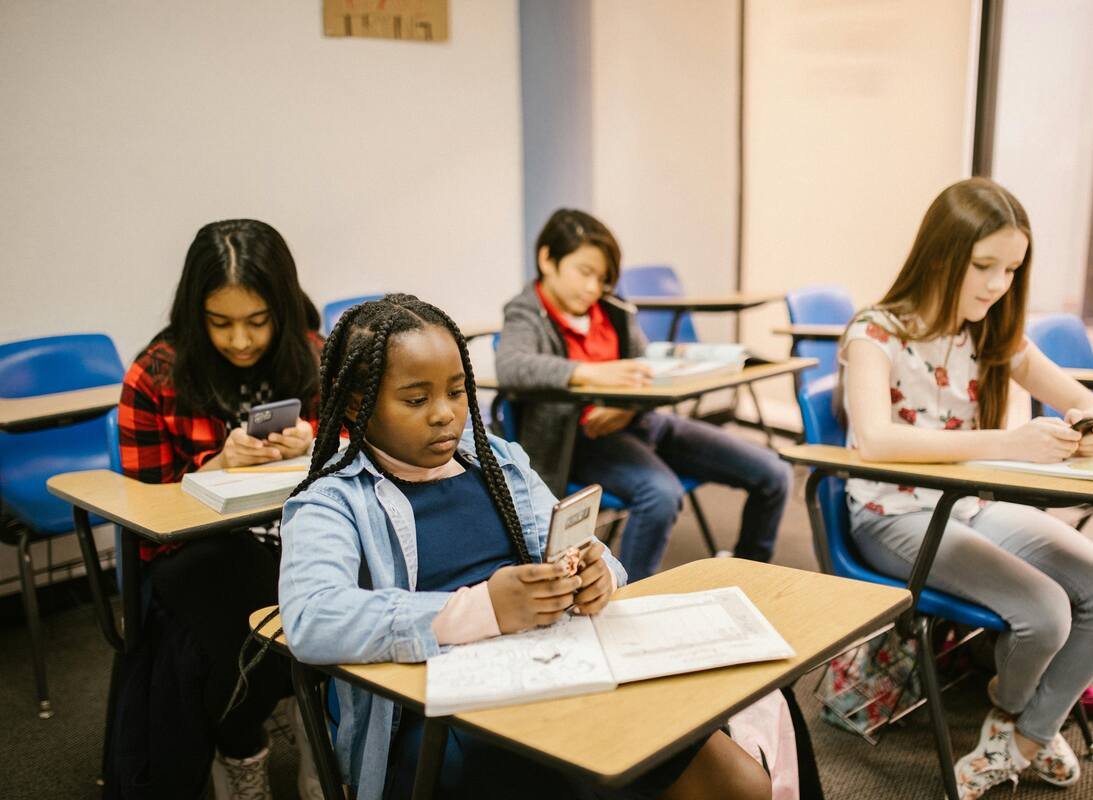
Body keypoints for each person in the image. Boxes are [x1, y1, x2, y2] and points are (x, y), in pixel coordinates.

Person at [278, 294, 772, 800]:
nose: (446, 415)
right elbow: (312, 618)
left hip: (551, 668)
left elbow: (580, 547)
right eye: (415, 399)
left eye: (456, 391)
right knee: (596, 767)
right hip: (441, 715)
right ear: (358, 405)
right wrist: (483, 609)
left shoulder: (497, 461)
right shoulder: (332, 501)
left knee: (738, 780)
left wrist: (597, 575)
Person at [839, 178, 1093, 799]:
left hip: (969, 507)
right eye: (984, 266)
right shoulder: (874, 333)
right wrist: (1007, 442)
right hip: (891, 513)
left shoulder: (990, 330)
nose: (997, 284)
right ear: (940, 254)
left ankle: (1020, 733)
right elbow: (874, 440)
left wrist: (1089, 424)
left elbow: (1081, 398)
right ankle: (1019, 720)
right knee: (1045, 613)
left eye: (1010, 269)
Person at [118, 218, 323, 799]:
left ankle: (302, 736)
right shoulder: (156, 375)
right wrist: (214, 470)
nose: (240, 340)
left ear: (282, 308)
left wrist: (316, 441)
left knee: (324, 578)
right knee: (242, 610)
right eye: (220, 323)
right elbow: (146, 521)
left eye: (257, 321)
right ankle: (246, 751)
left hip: (297, 531)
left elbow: (367, 466)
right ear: (193, 313)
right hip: (197, 549)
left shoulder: (313, 355)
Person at [496, 209, 793, 581]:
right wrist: (592, 373)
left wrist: (628, 408)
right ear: (547, 259)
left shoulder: (612, 311)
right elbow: (513, 366)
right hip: (582, 440)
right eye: (584, 272)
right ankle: (626, 594)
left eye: (602, 278)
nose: (592, 288)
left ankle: (751, 569)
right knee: (660, 495)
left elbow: (647, 370)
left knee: (774, 474)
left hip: (641, 423)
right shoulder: (526, 313)